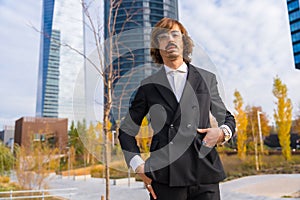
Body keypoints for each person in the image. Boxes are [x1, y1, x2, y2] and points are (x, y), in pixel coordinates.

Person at [118, 17, 236, 200]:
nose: (170, 39)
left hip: (204, 175)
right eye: (163, 37)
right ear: (158, 46)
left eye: (175, 34)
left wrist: (222, 133)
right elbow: (126, 131)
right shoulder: (148, 86)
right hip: (165, 178)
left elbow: (227, 118)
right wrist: (138, 166)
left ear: (184, 42)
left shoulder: (206, 78)